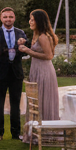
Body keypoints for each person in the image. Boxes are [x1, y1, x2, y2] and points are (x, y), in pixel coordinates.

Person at [18, 9, 59, 142]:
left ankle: (45, 133)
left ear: (39, 21)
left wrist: (28, 50)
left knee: (42, 99)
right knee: (36, 101)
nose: (30, 21)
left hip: (44, 71)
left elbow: (49, 56)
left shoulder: (43, 36)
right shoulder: (36, 35)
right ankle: (34, 132)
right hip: (36, 70)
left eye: (32, 19)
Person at [0, 7, 27, 143]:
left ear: (14, 18)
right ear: (1, 18)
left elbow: (26, 51)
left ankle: (16, 133)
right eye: (5, 17)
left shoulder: (20, 32)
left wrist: (23, 46)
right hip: (0, 72)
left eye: (10, 17)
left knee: (16, 104)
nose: (8, 19)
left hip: (16, 73)